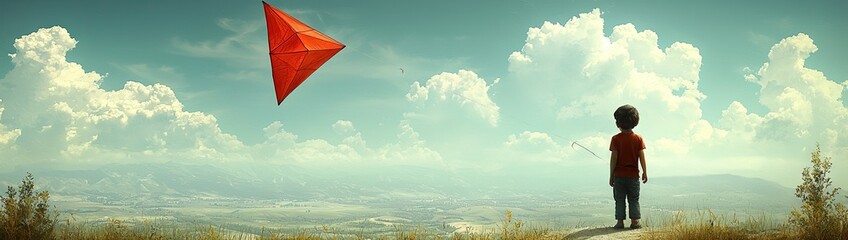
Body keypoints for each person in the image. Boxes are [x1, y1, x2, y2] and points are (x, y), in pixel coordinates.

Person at [609, 104, 647, 229]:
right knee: (634, 199)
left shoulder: (615, 139)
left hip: (619, 175)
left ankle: (620, 222)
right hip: (633, 176)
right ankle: (635, 222)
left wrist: (611, 175)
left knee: (619, 199)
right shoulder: (638, 138)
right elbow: (641, 157)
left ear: (618, 123)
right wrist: (645, 172)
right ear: (635, 122)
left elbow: (613, 158)